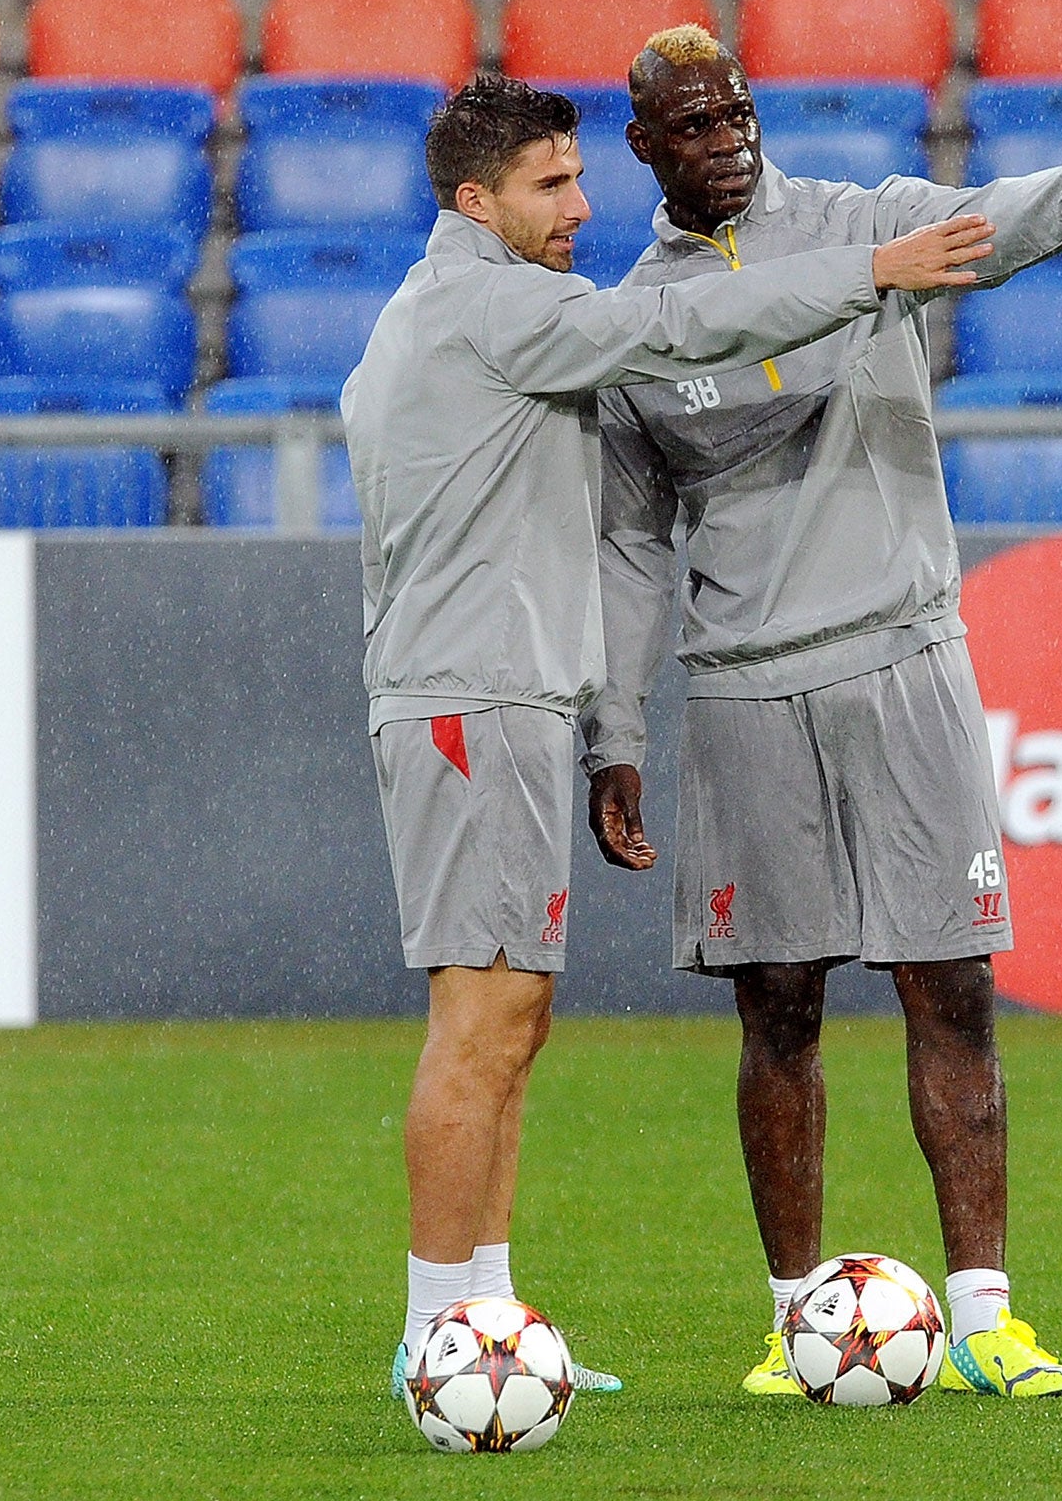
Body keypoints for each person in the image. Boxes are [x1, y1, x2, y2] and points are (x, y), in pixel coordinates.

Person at [343, 71, 999, 1401]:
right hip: (473, 702)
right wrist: (870, 270)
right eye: (550, 185)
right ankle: (433, 1332)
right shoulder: (494, 307)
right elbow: (684, 323)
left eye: (580, 178)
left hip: (498, 697)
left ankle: (485, 1314)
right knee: (478, 1020)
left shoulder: (437, 312)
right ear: (474, 200)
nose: (580, 208)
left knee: (514, 1016)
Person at [583, 27, 1062, 1399]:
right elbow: (626, 547)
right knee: (779, 1011)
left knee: (952, 987)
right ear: (645, 147)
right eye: (694, 124)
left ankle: (985, 1321)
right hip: (745, 685)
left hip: (904, 657)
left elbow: (987, 223)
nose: (726, 140)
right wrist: (613, 730)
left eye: (737, 112)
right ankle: (794, 1322)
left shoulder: (864, 226)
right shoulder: (635, 327)